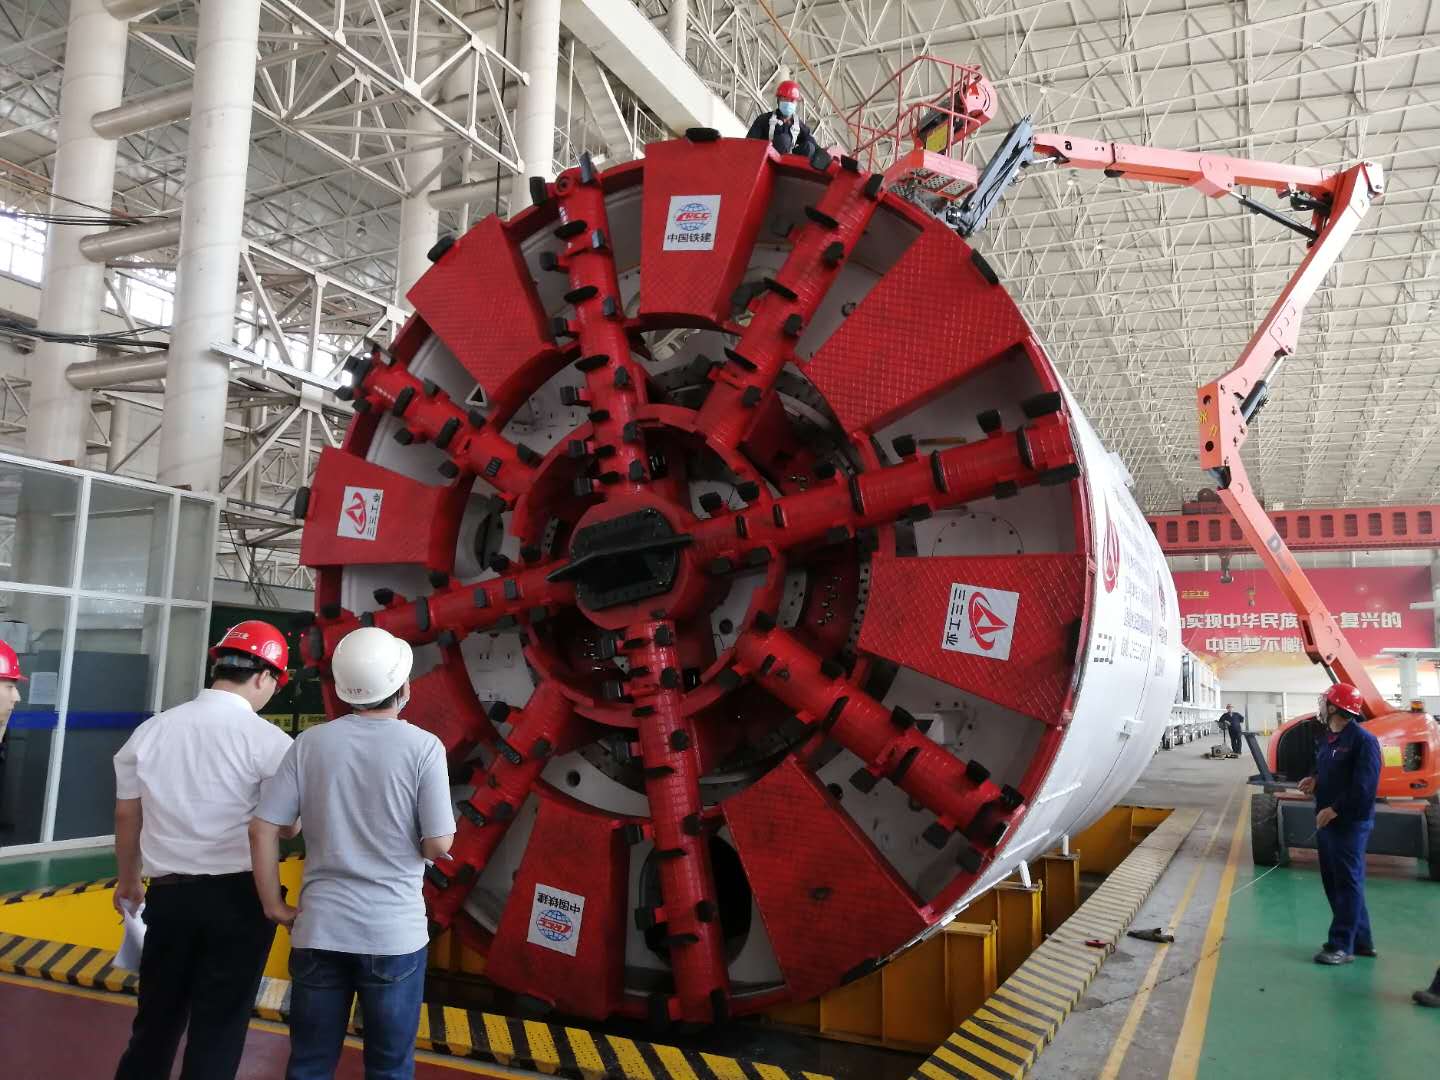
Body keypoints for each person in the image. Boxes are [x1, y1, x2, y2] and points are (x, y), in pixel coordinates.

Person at [251, 626, 454, 1080]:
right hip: (393, 935)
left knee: (309, 1065)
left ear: (344, 690)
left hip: (320, 930)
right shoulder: (424, 747)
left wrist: (274, 906)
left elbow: (265, 827)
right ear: (403, 687)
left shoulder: (310, 744)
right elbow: (439, 843)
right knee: (388, 1068)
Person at [112, 621, 295, 1080]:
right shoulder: (271, 743)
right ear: (264, 677)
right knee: (219, 1029)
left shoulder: (152, 731)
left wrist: (129, 880)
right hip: (239, 902)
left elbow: (127, 815)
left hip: (168, 898)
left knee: (154, 1024)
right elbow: (288, 826)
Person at [1298, 682, 1381, 966]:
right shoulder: (1329, 738)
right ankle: (1362, 942)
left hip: (1349, 824)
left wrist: (1334, 809)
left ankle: (1341, 946)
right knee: (1337, 882)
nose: (1321, 706)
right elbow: (1326, 767)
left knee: (1346, 884)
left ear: (1335, 708)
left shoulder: (1363, 741)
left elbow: (1365, 788)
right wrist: (1314, 780)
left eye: (1325, 702)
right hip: (1328, 821)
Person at [746, 79, 818, 158]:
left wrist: (821, 153)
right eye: (785, 99)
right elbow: (749, 144)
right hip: (765, 159)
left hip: (788, 162)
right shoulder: (764, 120)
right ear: (778, 100)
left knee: (809, 148)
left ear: (796, 103)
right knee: (783, 140)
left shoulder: (798, 126)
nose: (788, 103)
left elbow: (811, 142)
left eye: (792, 100)